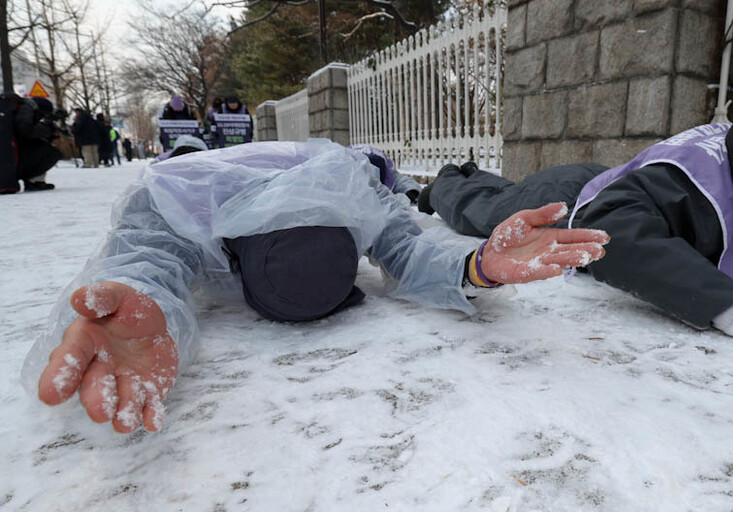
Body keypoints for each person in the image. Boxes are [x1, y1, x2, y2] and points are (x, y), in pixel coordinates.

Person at [22, 139, 610, 434]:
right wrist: (131, 289)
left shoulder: (350, 186)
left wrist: (479, 265)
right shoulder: (185, 187)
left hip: (267, 166)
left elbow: (408, 246)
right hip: (203, 163)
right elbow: (152, 255)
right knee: (188, 157)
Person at [419, 113, 733, 358]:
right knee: (483, 213)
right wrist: (730, 306)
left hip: (623, 179)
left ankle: (468, 178)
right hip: (573, 199)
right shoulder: (696, 191)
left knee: (504, 195)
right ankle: (443, 180)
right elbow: (614, 235)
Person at [0, 93, 61, 194]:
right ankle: (34, 182)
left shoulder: (10, 111)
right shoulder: (27, 107)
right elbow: (26, 130)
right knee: (51, 152)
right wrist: (48, 128)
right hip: (9, 162)